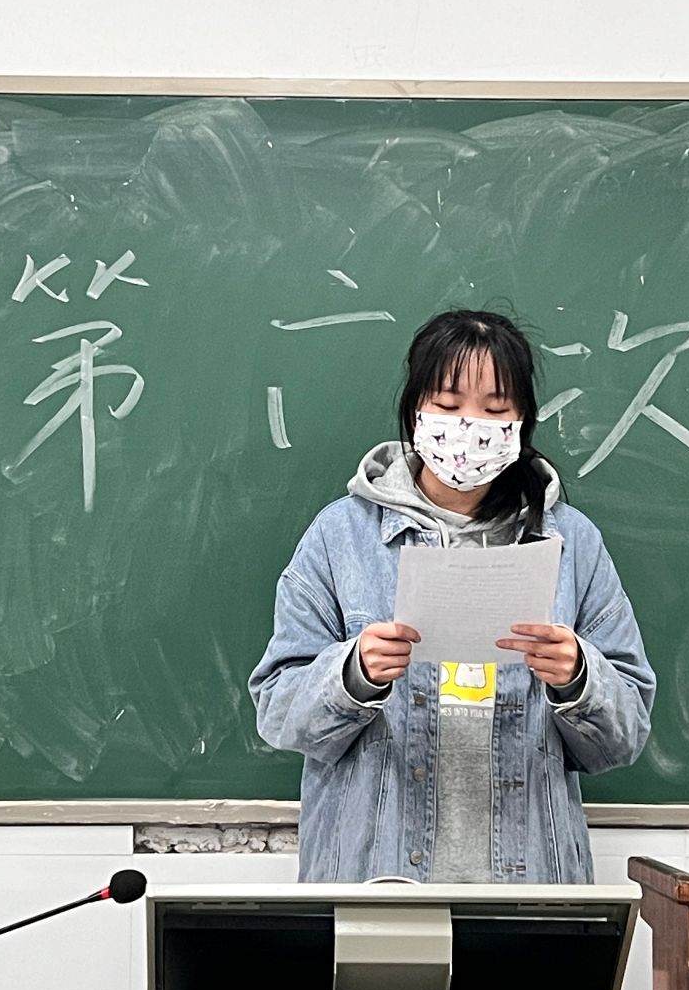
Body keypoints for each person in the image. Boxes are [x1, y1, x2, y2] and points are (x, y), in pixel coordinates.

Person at [249, 309, 655, 883]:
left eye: (495, 409)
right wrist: (353, 675)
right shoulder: (342, 536)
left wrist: (578, 678)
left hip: (529, 889)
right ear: (415, 409)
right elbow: (277, 710)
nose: (470, 427)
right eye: (448, 404)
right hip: (375, 881)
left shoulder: (572, 543)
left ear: (522, 421)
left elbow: (626, 735)